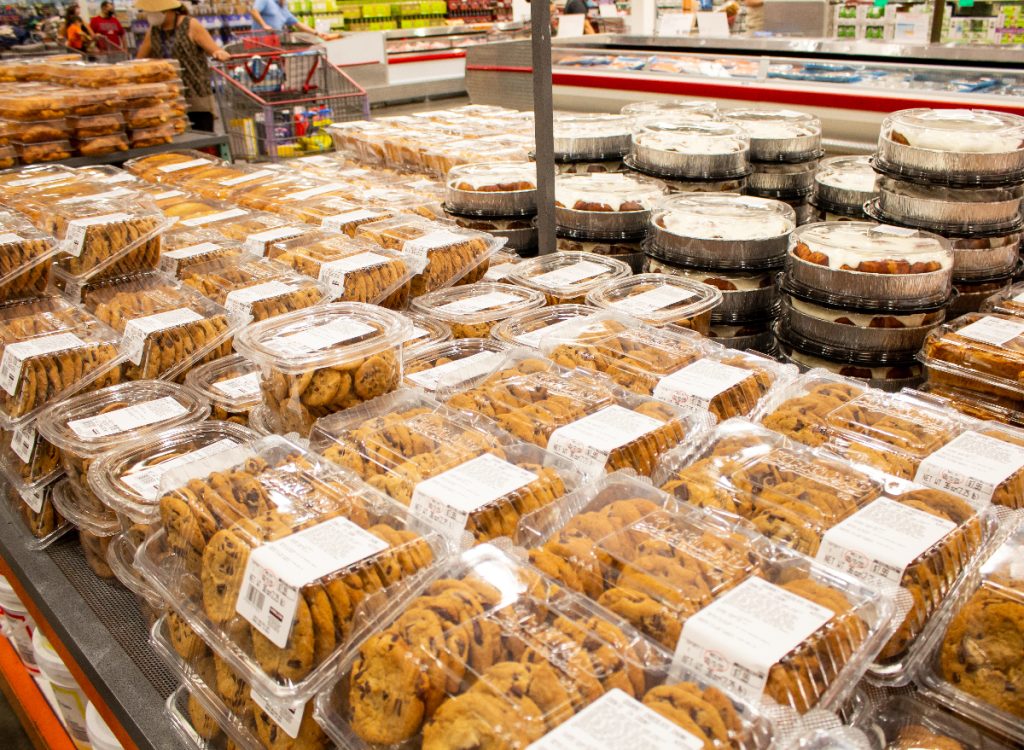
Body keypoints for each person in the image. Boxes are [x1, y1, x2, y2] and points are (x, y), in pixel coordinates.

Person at [136, 0, 229, 132]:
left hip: (196, 93)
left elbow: (213, 49)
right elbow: (139, 60)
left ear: (169, 11)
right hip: (168, 97)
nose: (150, 15)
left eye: (154, 12)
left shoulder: (190, 25)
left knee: (202, 136)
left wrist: (219, 53)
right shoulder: (153, 31)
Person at [249, 0, 339, 40]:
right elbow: (254, 11)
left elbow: (297, 24)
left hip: (275, 41)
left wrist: (317, 33)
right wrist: (264, 25)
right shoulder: (265, 0)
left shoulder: (283, 7)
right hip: (260, 41)